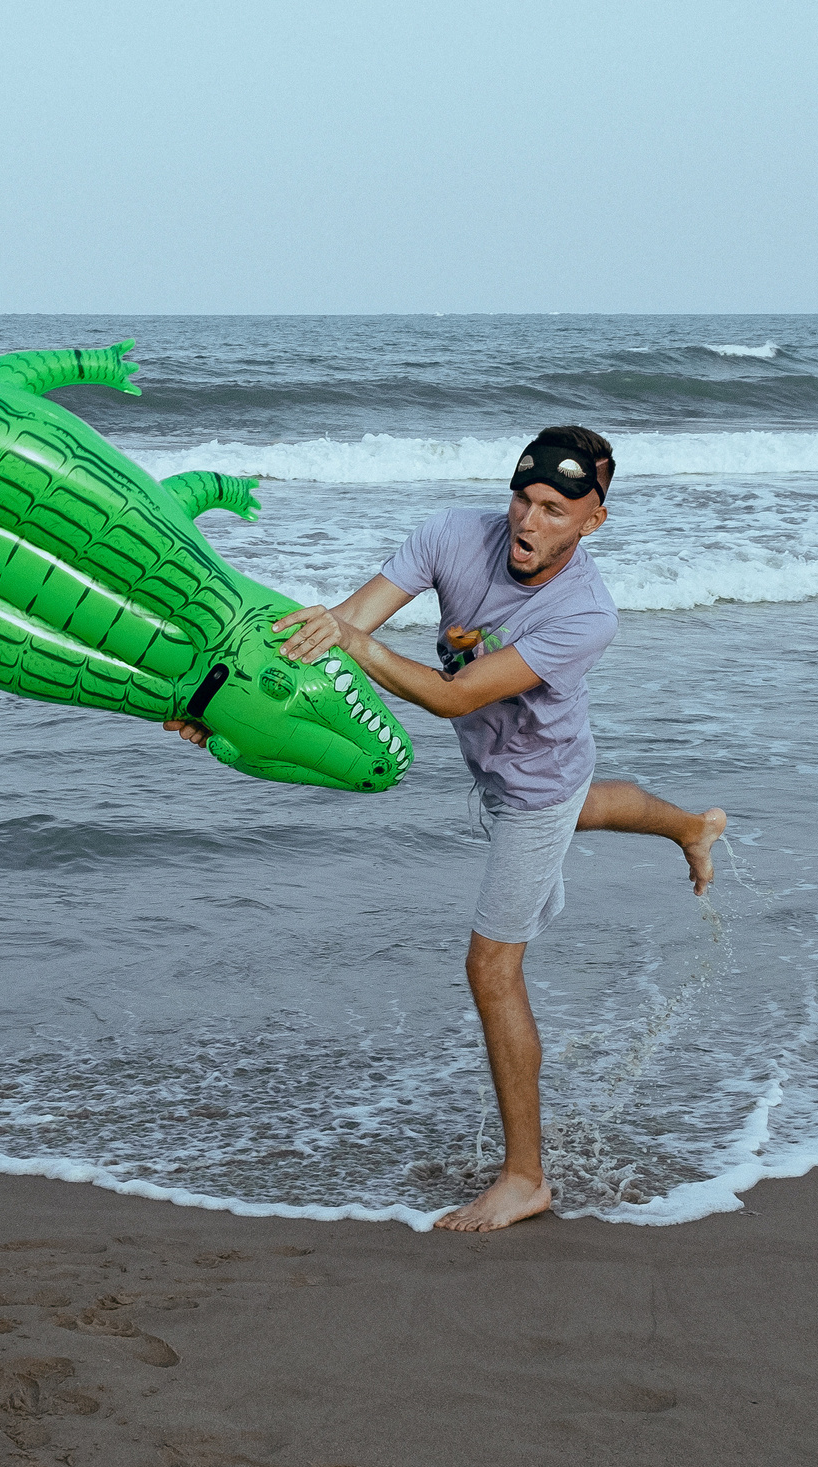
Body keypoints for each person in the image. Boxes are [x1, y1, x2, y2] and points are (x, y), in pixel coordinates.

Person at [170, 425, 725, 1233]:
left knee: (492, 965)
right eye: (521, 499)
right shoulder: (450, 536)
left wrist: (357, 641)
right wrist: (218, 702)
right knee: (593, 803)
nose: (529, 523)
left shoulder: (586, 615)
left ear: (592, 521)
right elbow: (336, 627)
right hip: (507, 773)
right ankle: (689, 828)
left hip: (534, 786)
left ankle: (525, 1177)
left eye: (553, 510)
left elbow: (452, 697)